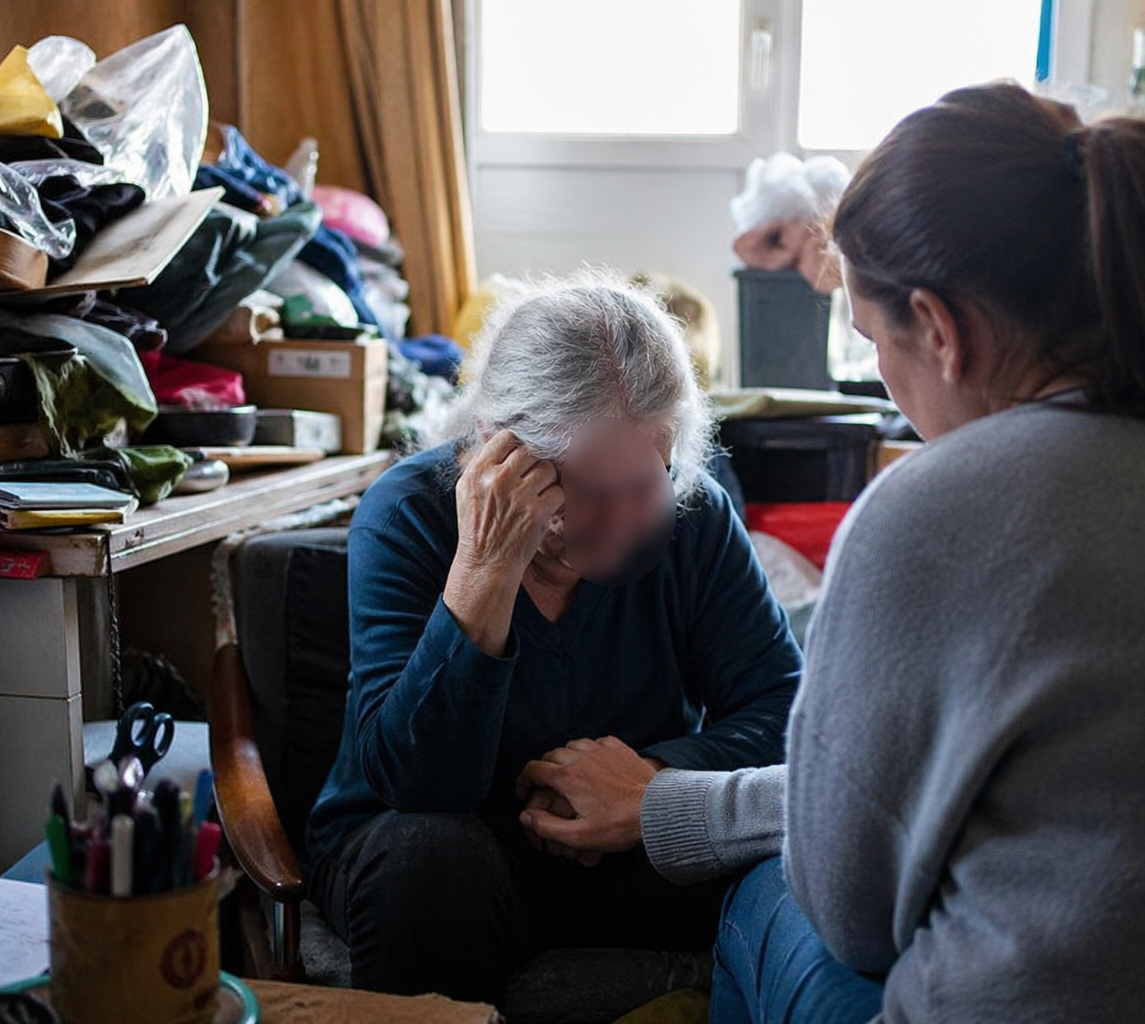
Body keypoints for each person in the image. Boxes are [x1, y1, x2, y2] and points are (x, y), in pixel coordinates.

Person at [518, 83, 1145, 1024]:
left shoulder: (934, 510)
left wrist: (676, 813)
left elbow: (854, 915)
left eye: (870, 338)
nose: (881, 373)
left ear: (939, 329)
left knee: (768, 894)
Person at [305, 277, 802, 1003]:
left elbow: (787, 712)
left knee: (782, 855)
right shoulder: (407, 516)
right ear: (496, 450)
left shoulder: (694, 519)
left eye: (648, 482)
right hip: (439, 845)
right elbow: (417, 782)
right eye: (588, 493)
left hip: (624, 843)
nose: (625, 520)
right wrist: (486, 568)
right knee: (431, 858)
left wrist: (647, 786)